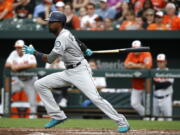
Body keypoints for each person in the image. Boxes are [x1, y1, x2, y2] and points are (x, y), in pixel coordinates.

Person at [23, 11, 130, 133]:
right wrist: (85, 49)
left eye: (52, 22)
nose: (49, 24)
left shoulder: (61, 38)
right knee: (39, 84)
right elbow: (78, 41)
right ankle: (58, 115)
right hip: (69, 71)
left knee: (95, 98)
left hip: (80, 71)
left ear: (59, 23)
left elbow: (50, 59)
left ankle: (122, 122)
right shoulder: (66, 33)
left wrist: (34, 52)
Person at [5, 40, 38, 119]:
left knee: (32, 101)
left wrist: (18, 66)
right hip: (19, 80)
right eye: (17, 48)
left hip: (30, 80)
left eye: (19, 48)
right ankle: (3, 111)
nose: (18, 49)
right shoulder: (13, 53)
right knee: (6, 92)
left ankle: (33, 118)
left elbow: (33, 64)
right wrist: (12, 65)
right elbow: (7, 64)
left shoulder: (28, 52)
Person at [124, 40, 152, 119]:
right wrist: (140, 65)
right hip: (136, 84)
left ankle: (149, 118)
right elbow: (126, 65)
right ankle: (147, 117)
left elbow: (147, 66)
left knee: (148, 104)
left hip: (147, 84)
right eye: (133, 49)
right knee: (134, 103)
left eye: (137, 49)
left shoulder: (146, 53)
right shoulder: (131, 54)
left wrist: (133, 65)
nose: (135, 51)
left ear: (141, 47)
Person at [153, 53, 174, 121]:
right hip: (155, 98)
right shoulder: (154, 72)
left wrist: (158, 84)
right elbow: (156, 84)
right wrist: (159, 84)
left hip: (166, 98)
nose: (160, 63)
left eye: (161, 62)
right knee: (154, 118)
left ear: (165, 62)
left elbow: (167, 85)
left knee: (168, 118)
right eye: (158, 62)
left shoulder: (170, 72)